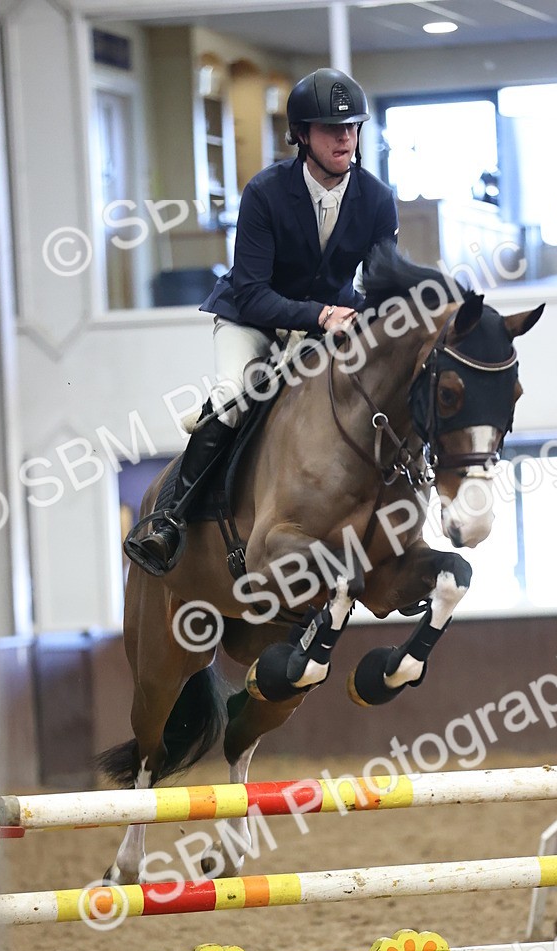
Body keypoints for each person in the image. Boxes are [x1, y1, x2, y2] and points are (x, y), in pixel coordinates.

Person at [125, 66, 399, 576]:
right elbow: (251, 293)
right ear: (300, 135)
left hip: (327, 329)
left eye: (352, 127)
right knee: (232, 396)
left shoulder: (377, 199)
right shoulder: (265, 193)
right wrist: (320, 313)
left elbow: (379, 289)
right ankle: (169, 522)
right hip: (253, 321)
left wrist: (362, 318)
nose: (344, 137)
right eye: (329, 128)